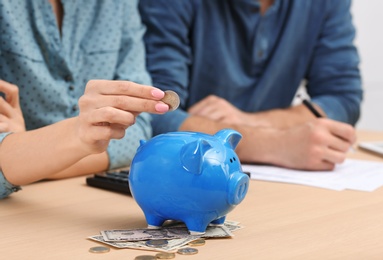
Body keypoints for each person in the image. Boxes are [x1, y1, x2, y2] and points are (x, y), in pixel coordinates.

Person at [139, 0, 363, 171]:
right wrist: (275, 144)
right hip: (188, 176)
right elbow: (152, 112)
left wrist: (249, 122)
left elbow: (343, 98)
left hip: (276, 184)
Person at [0, 0, 170, 199]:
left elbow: (138, 129)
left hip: (76, 197)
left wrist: (27, 152)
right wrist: (73, 139)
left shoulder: (119, 4)